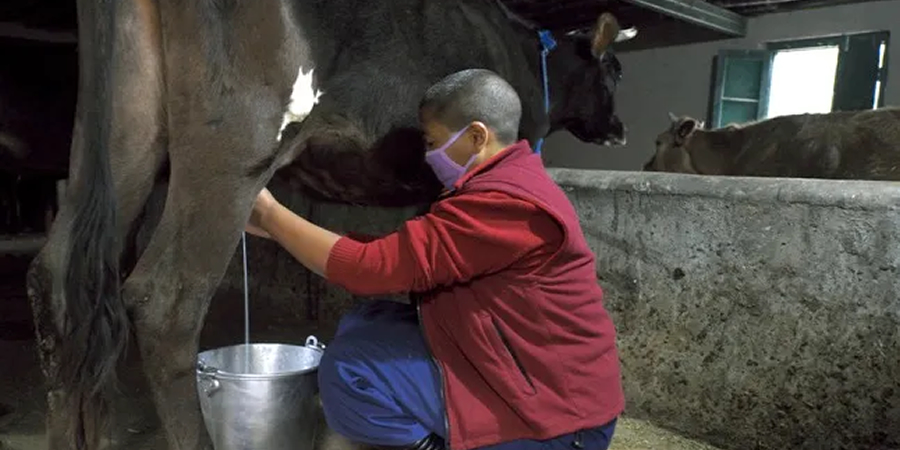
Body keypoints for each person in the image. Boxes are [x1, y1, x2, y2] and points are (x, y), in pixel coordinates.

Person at [245, 69, 624, 450]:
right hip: (518, 369)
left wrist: (270, 214)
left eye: (433, 142)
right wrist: (281, 231)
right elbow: (396, 255)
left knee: (349, 368)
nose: (428, 156)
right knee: (367, 321)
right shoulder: (504, 184)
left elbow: (370, 268)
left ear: (477, 137)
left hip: (560, 421)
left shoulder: (509, 205)